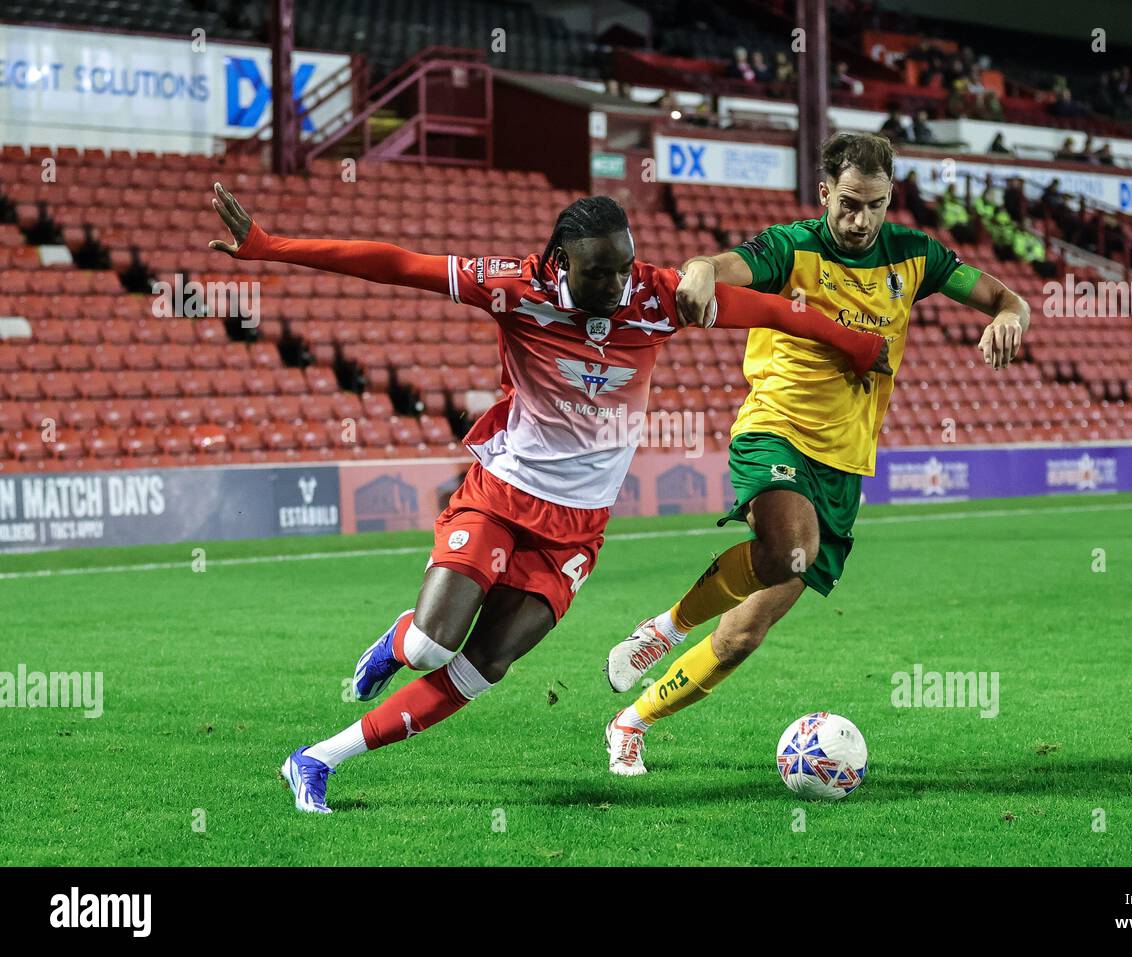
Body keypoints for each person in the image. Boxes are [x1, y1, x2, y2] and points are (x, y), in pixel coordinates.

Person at [205, 185, 892, 812]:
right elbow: (397, 263)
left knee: (482, 669)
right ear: (561, 261)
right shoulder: (513, 287)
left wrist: (857, 344)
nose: (618, 283)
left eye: (625, 266)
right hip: (501, 495)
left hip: (576, 531)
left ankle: (317, 759)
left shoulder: (656, 298)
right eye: (600, 271)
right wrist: (268, 248)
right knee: (432, 647)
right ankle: (398, 638)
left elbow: (772, 309)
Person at [600, 132, 1032, 775]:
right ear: (826, 192)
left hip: (845, 465)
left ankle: (631, 723)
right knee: (786, 546)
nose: (860, 221)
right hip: (775, 432)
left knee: (745, 633)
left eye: (876, 205)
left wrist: (1011, 315)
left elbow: (1003, 296)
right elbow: (725, 267)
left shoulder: (915, 256)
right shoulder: (793, 247)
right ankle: (662, 630)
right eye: (849, 203)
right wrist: (698, 269)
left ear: (891, 200)